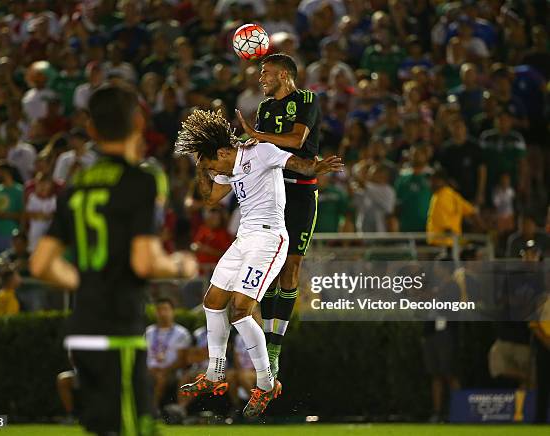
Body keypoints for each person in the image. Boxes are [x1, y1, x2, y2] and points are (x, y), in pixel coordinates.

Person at [30, 84, 196, 436]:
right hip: (118, 328)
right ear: (138, 122)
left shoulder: (76, 186)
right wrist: (181, 265)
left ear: (91, 129)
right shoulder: (141, 179)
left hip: (83, 329)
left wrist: (88, 281)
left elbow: (41, 264)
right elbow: (144, 263)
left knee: (103, 428)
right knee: (135, 428)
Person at [175, 109, 342, 417]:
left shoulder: (260, 151)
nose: (214, 170)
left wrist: (317, 166)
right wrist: (202, 168)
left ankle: (266, 384)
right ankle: (215, 373)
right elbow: (210, 198)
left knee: (240, 310)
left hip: (269, 239)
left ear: (225, 151)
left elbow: (298, 165)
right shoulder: (228, 166)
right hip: (244, 239)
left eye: (213, 163)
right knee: (212, 302)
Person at [236, 53, 322, 378]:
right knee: (270, 269)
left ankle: (275, 346)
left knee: (292, 267)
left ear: (284, 75)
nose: (261, 79)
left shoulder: (306, 99)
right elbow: (260, 150)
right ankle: (268, 342)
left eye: (266, 73)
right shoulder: (264, 109)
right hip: (272, 196)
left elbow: (297, 140)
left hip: (301, 192)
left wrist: (257, 137)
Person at [145, 298, 192, 411]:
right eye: (159, 310)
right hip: (149, 370)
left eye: (165, 309)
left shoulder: (181, 333)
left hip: (171, 372)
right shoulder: (148, 332)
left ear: (173, 312)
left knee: (160, 378)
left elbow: (182, 360)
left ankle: (152, 409)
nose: (162, 313)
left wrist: (164, 370)